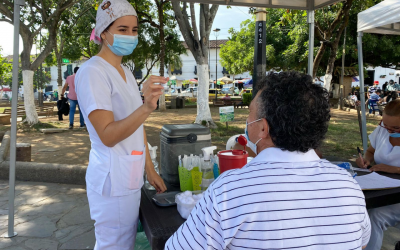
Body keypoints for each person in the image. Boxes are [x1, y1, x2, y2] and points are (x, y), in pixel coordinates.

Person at [165, 71, 370, 250]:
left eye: (250, 115)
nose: (247, 122)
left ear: (263, 128)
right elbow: (362, 243)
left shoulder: (229, 190)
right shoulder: (349, 185)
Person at [74, 1, 167, 249]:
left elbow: (136, 125)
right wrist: (147, 106)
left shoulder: (125, 71)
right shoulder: (93, 72)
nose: (130, 36)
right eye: (122, 29)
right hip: (113, 180)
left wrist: (150, 169)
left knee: (124, 243)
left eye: (134, 30)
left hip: (129, 176)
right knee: (114, 245)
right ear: (104, 32)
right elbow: (107, 135)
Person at [356, 99, 400, 250]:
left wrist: (395, 169)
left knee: (374, 215)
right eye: (385, 125)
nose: (388, 130)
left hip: (397, 197)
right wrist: (366, 160)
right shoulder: (383, 130)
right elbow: (370, 151)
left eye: (395, 128)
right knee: (356, 209)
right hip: (380, 188)